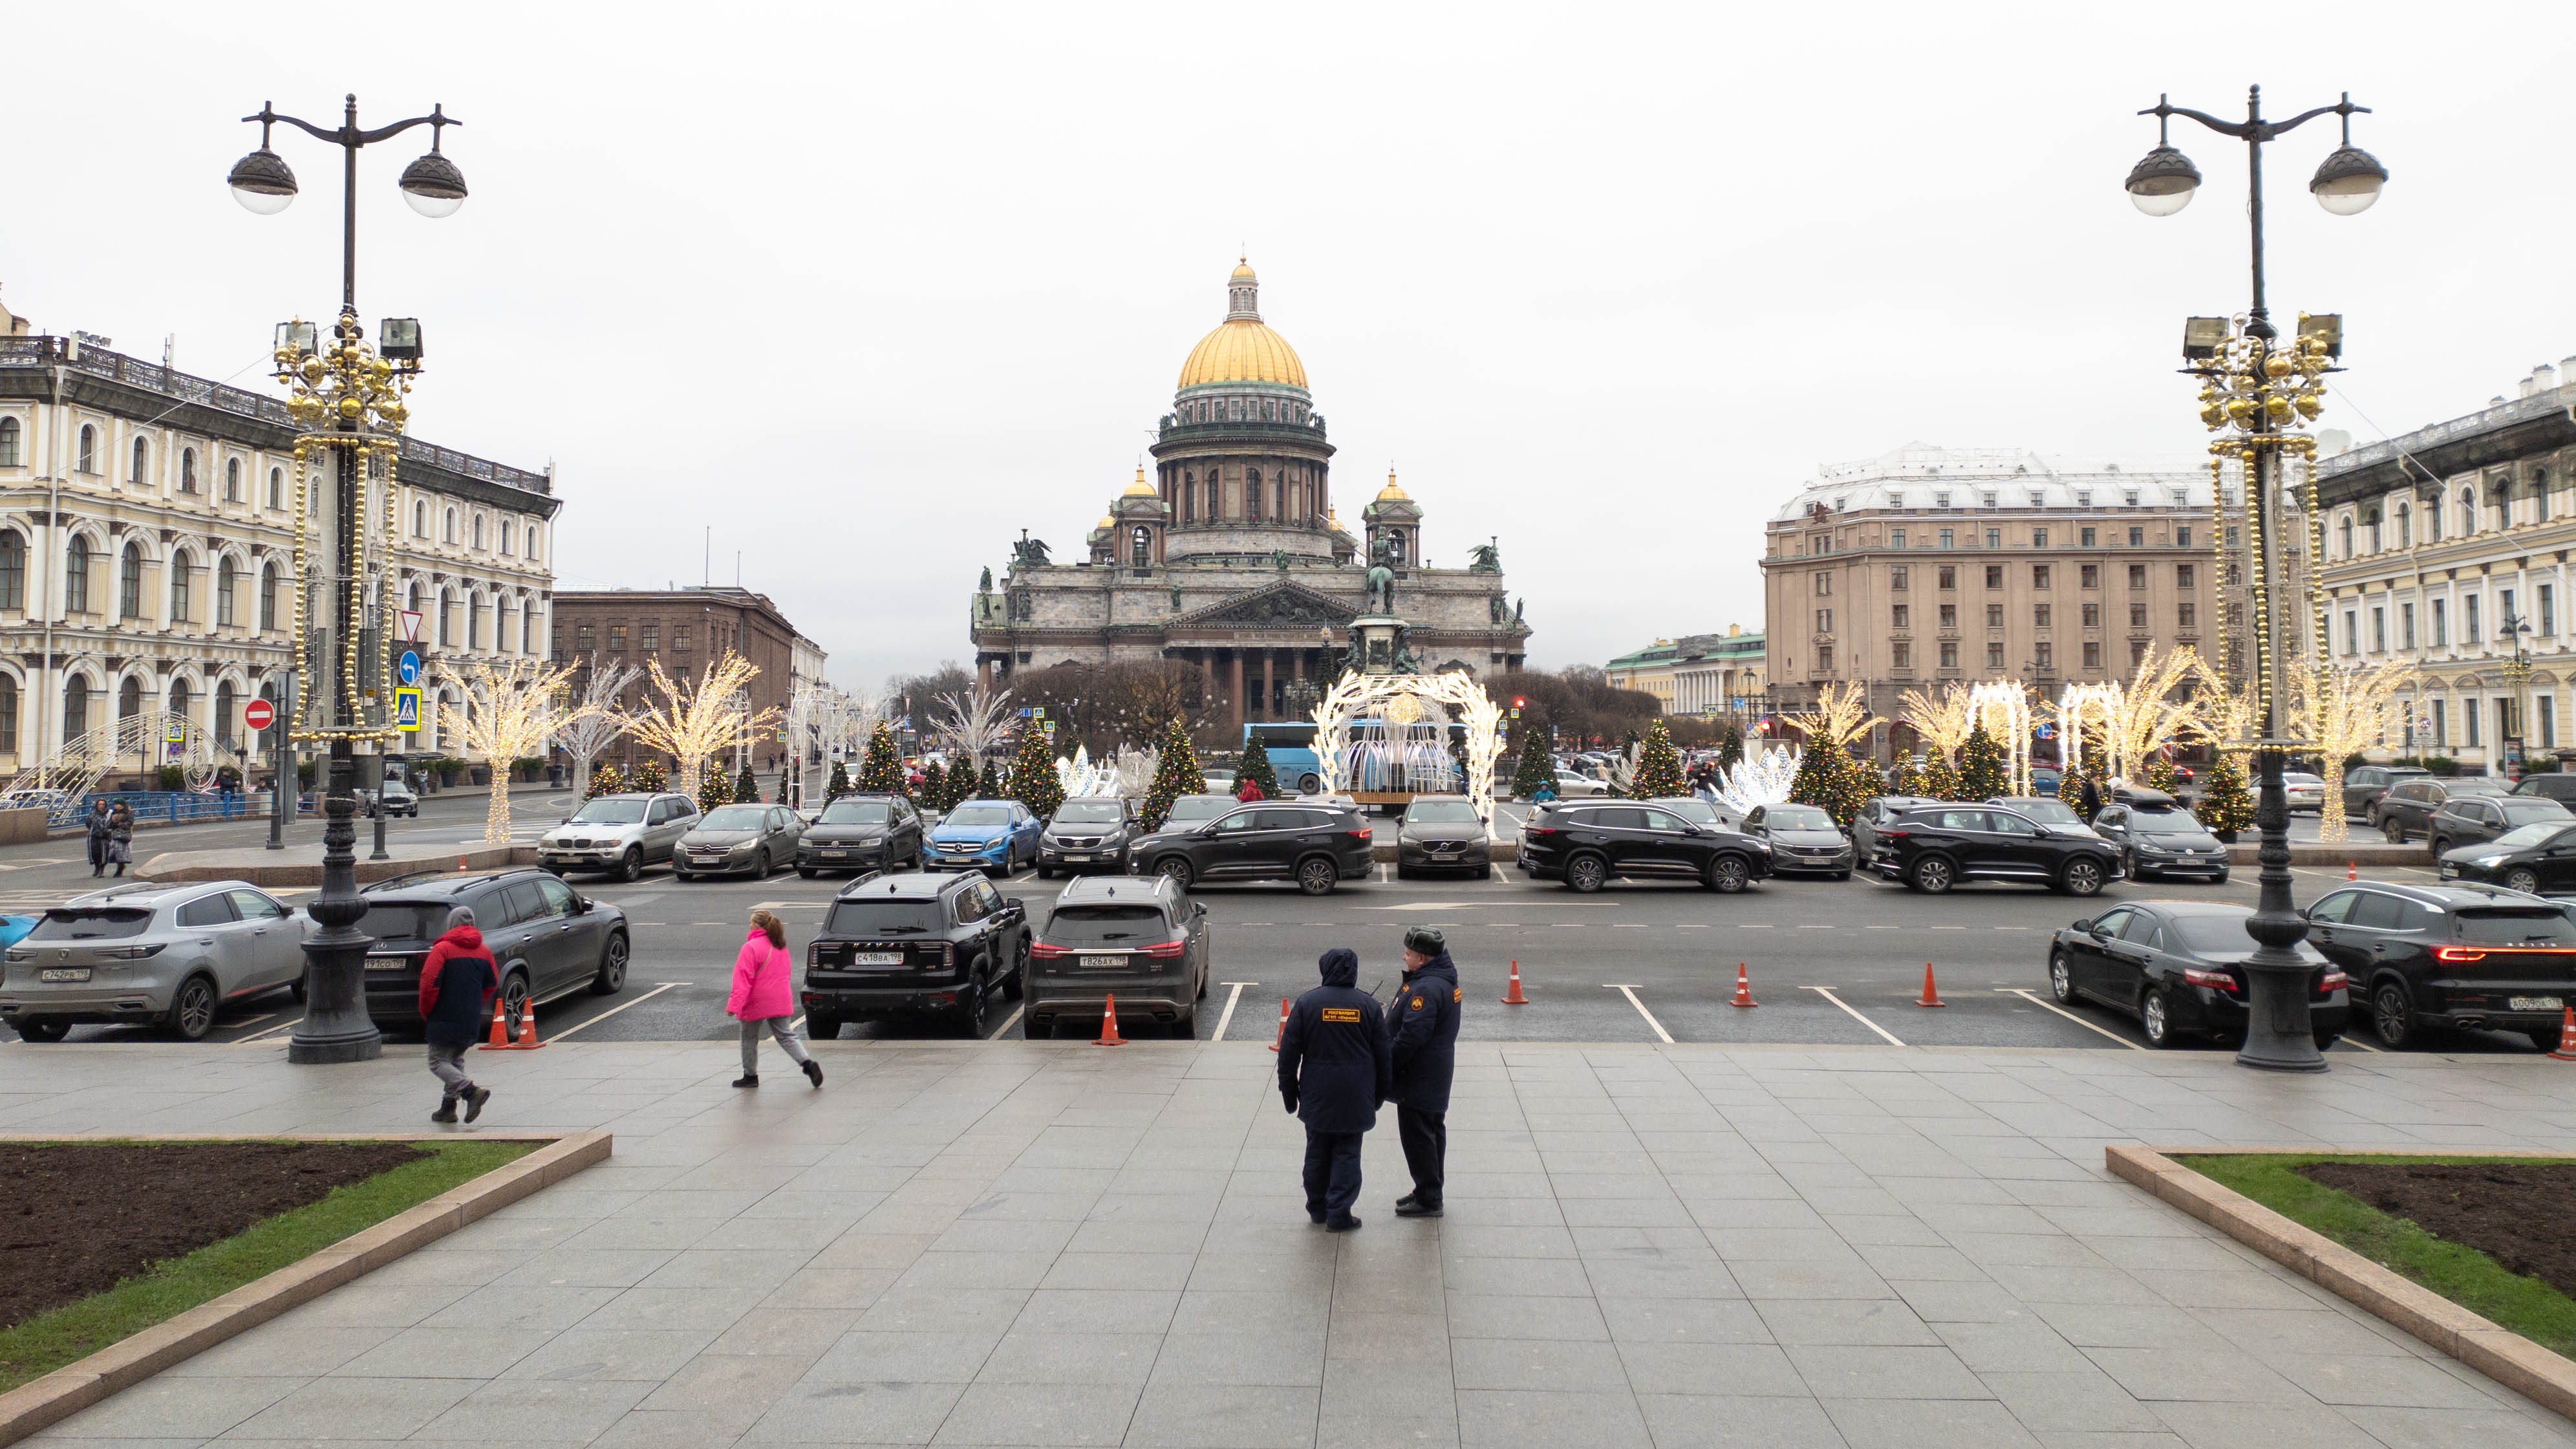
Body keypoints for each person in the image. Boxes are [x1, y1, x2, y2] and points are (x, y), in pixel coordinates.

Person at [1276, 947, 1391, 1232]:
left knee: (1316, 1152)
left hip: (1317, 1095)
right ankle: (1339, 1213)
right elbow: (1384, 1057)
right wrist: (1378, 1097)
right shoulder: (1369, 1006)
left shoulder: (1307, 1004)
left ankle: (1318, 1209)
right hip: (1356, 1096)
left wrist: (1290, 1095)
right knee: (1348, 1154)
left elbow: (1288, 1055)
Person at [1386, 925, 1462, 1218]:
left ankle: (1429, 1198)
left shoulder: (1427, 989)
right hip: (1432, 1072)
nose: (1404, 957)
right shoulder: (1437, 979)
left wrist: (1388, 1060)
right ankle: (1428, 1189)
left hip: (1419, 1076)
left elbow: (1412, 1036)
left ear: (1422, 958)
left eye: (1408, 954)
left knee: (1419, 1137)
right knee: (1431, 1132)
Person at [417, 907, 497, 1123]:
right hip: (470, 1017)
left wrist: (426, 1011)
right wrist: (475, 1004)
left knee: (437, 1061)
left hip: (444, 1014)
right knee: (455, 1060)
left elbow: (429, 985)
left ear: (450, 924)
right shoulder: (484, 952)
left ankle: (471, 1092)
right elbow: (491, 983)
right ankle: (448, 1108)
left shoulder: (442, 949)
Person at [730, 909, 821, 1089]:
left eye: (751, 922)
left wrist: (734, 1005)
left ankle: (750, 1076)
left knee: (749, 1038)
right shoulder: (780, 946)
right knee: (786, 1035)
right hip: (780, 997)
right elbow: (786, 973)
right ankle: (807, 1063)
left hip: (756, 999)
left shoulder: (750, 947)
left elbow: (743, 979)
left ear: (757, 926)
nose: (749, 925)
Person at [84, 800, 113, 877]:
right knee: (94, 853)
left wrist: (108, 831)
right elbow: (88, 823)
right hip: (94, 836)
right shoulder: (93, 814)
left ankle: (102, 870)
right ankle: (97, 868)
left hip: (104, 836)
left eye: (103, 804)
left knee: (103, 853)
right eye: (100, 804)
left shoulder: (109, 813)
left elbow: (112, 823)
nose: (101, 806)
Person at [106, 800, 134, 877]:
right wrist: (116, 824)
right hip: (114, 835)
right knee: (115, 852)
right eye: (115, 804)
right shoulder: (114, 813)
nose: (115, 806)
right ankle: (120, 866)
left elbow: (130, 823)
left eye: (117, 804)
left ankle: (120, 868)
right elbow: (109, 825)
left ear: (122, 805)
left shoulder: (128, 814)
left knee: (122, 852)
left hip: (124, 835)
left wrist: (118, 824)